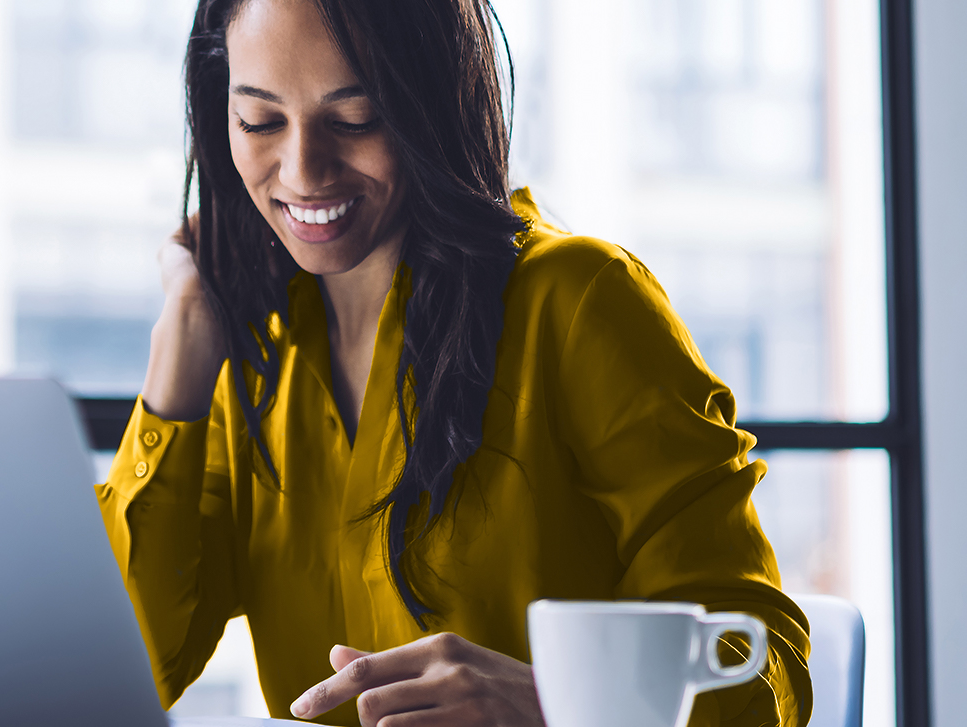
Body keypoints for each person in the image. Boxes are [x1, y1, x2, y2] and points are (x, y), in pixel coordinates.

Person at [94, 0, 812, 725]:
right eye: (260, 121)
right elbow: (114, 670)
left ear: (429, 105)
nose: (304, 169)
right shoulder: (252, 354)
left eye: (355, 118)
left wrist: (555, 708)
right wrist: (177, 365)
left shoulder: (579, 303)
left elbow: (765, 662)